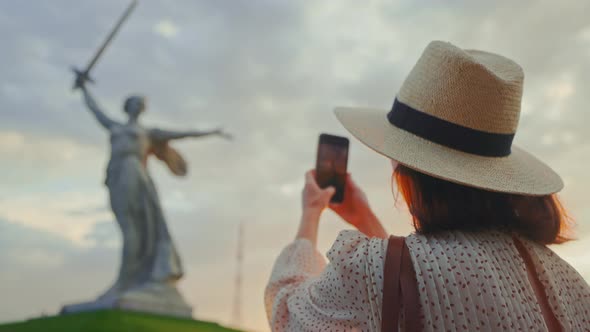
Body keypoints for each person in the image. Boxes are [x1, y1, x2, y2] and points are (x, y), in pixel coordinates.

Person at [264, 41, 590, 331]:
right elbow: (406, 284)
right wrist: (365, 219)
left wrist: (310, 213)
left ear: (408, 168)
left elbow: (289, 314)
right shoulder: (571, 288)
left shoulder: (366, 270)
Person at [74, 73, 231, 299]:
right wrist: (83, 89)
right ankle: (129, 280)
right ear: (127, 106)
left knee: (134, 228)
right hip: (116, 175)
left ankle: (126, 281)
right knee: (128, 226)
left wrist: (212, 132)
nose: (139, 106)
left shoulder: (147, 133)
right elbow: (96, 111)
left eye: (142, 104)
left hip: (134, 174)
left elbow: (183, 134)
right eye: (135, 102)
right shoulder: (115, 127)